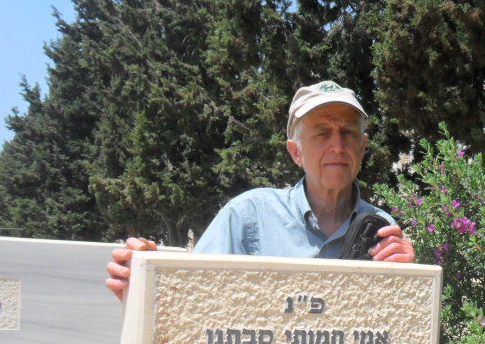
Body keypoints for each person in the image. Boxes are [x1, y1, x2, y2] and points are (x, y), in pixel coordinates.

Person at [106, 81, 415, 299]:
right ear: (296, 152)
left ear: (362, 148)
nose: (337, 145)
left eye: (348, 132)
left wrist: (411, 281)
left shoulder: (384, 231)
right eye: (322, 133)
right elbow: (192, 297)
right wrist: (149, 281)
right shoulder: (248, 215)